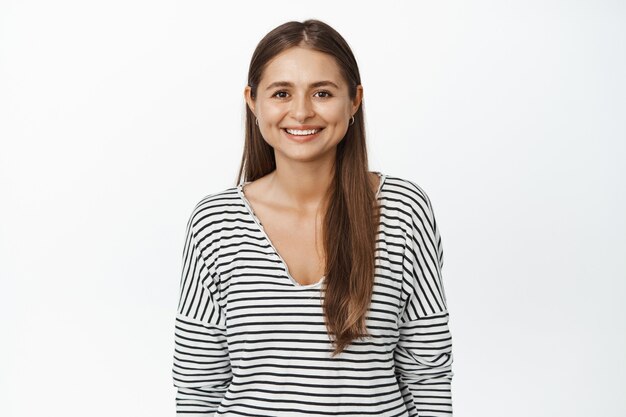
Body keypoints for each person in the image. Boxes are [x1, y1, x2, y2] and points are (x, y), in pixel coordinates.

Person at [171, 19, 453, 416]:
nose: (301, 112)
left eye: (322, 92)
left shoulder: (404, 210)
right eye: (281, 93)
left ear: (354, 100)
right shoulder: (216, 222)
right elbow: (198, 385)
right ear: (253, 102)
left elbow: (428, 375)